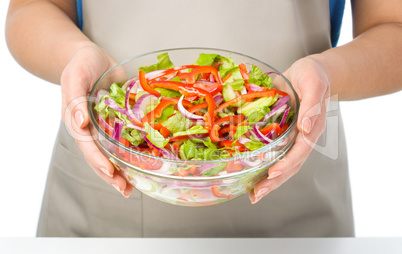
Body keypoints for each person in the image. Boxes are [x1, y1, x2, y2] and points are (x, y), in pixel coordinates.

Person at [5, 0, 402, 237]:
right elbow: (31, 8)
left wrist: (326, 74)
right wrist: (75, 57)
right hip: (104, 202)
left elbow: (393, 27)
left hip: (295, 198)